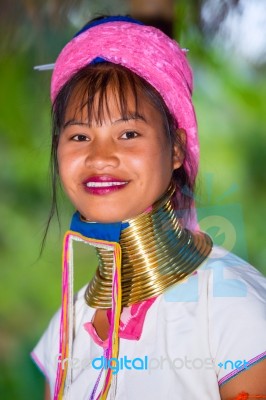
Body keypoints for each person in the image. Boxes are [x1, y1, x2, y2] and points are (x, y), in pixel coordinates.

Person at [31, 15, 266, 400]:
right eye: (79, 135)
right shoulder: (67, 327)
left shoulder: (231, 308)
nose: (100, 156)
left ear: (175, 148)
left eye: (128, 133)